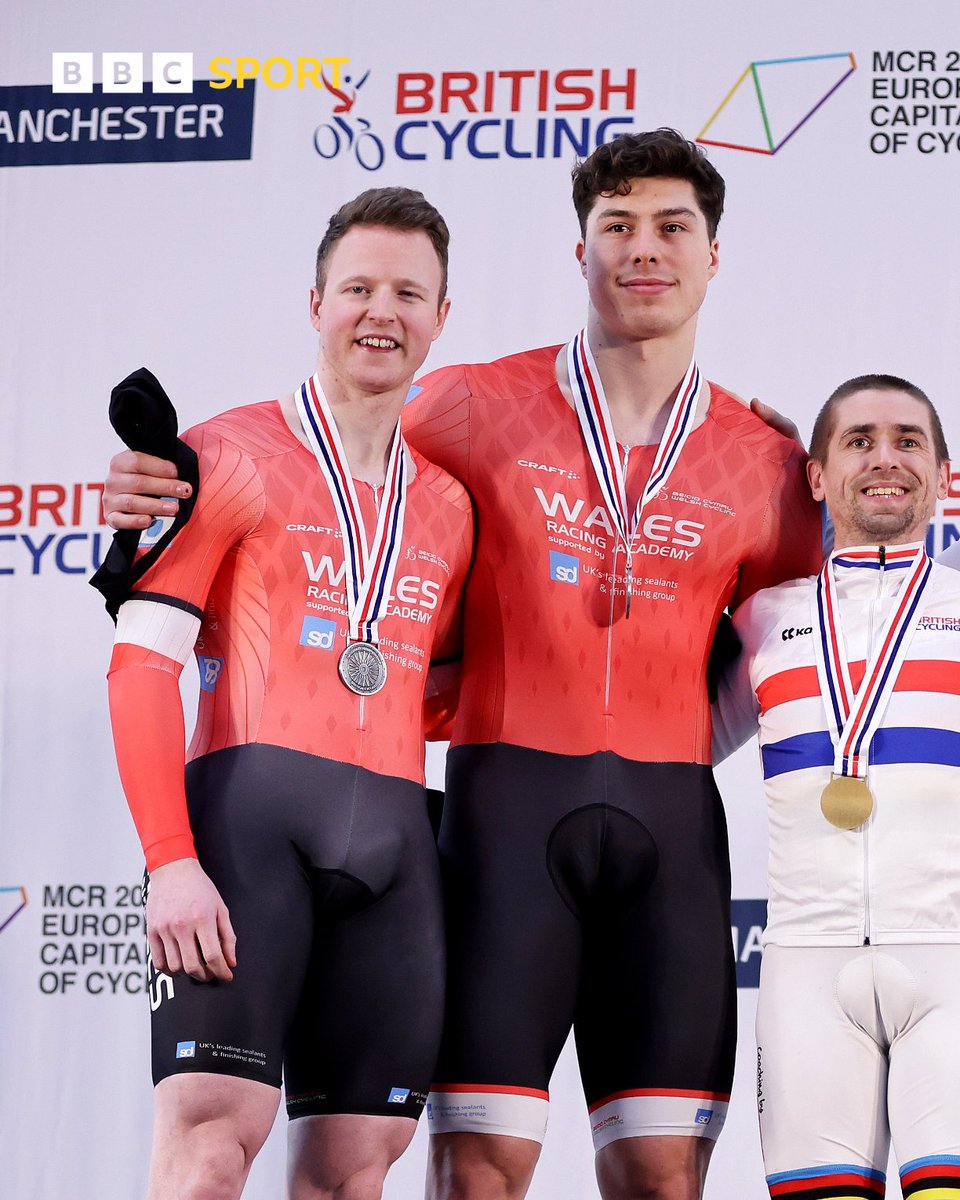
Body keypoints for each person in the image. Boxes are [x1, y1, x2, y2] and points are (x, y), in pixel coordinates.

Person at [102, 130, 822, 1200]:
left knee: (633, 1180)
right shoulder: (462, 410)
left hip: (626, 832)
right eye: (616, 226)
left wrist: (824, 451)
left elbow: (811, 645)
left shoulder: (767, 464)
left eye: (673, 227)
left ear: (717, 255)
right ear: (578, 250)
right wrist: (136, 520)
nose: (644, 249)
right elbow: (293, 520)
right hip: (470, 827)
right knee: (394, 1168)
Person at [102, 187, 473, 1200]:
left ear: (444, 317)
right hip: (241, 840)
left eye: (408, 292)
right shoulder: (223, 457)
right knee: (211, 1143)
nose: (380, 312)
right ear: (315, 304)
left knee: (357, 1170)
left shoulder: (446, 507)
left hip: (397, 858)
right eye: (358, 287)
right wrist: (169, 862)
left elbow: (423, 691)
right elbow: (141, 665)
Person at [714, 376, 960, 1200]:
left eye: (907, 440)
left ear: (942, 472)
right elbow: (672, 745)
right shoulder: (761, 620)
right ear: (816, 473)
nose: (883, 459)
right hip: (805, 970)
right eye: (857, 441)